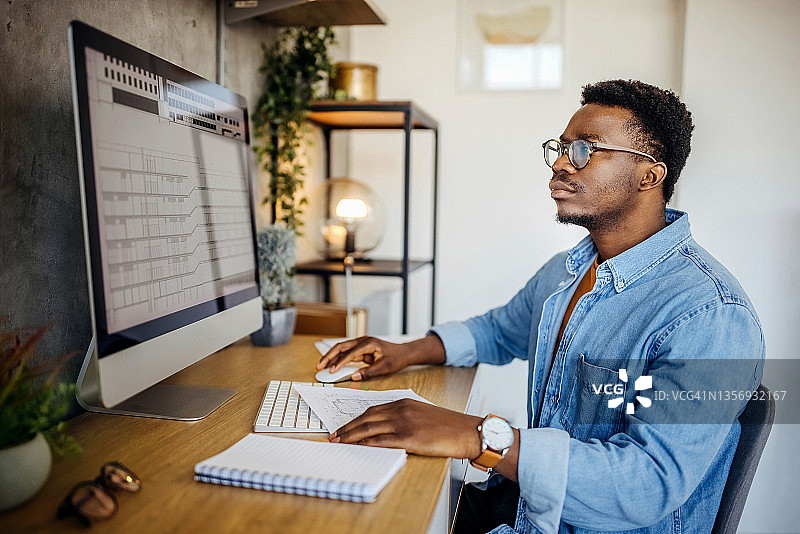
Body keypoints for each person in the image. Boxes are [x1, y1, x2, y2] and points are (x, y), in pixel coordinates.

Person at [316, 79, 764, 534]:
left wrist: (477, 437)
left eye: (586, 150)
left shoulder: (711, 314)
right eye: (561, 147)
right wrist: (406, 351)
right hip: (525, 509)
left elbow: (646, 485)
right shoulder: (565, 272)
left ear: (650, 175)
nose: (560, 165)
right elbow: (498, 331)